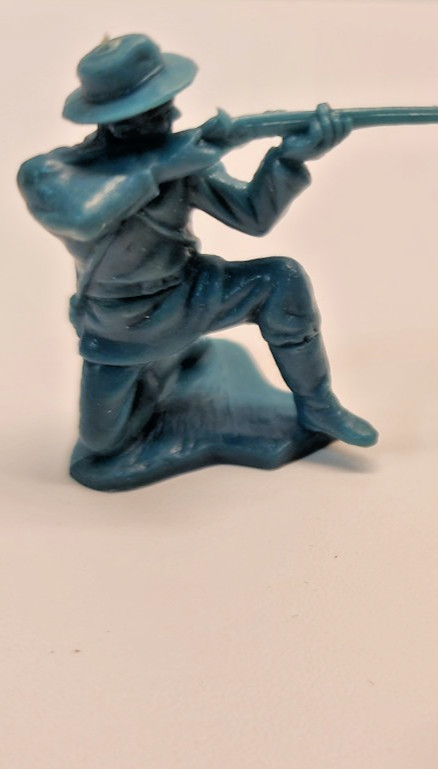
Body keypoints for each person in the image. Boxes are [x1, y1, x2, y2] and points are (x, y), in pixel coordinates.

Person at [18, 34, 376, 464]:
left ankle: (318, 405)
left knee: (282, 277)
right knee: (103, 443)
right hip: (118, 324)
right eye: (156, 110)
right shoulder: (51, 171)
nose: (174, 115)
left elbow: (252, 216)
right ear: (120, 120)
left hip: (189, 292)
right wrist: (162, 167)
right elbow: (80, 218)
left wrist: (287, 159)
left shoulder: (182, 158)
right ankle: (166, 363)